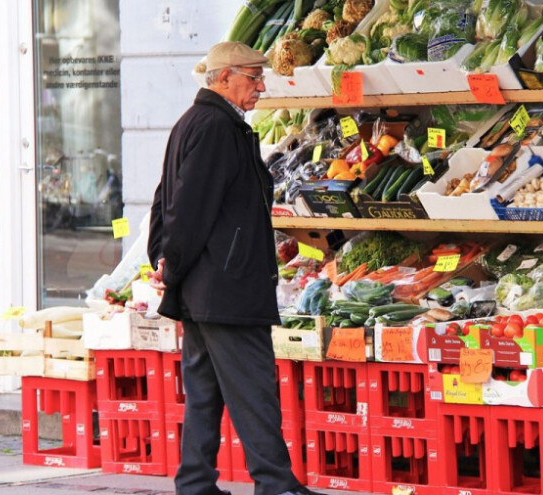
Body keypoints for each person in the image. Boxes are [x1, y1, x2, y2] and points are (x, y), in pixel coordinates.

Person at [147, 41, 318, 495]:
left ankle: (196, 483)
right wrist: (170, 263)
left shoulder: (197, 122)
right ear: (224, 78)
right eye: (253, 77)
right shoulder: (217, 128)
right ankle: (276, 484)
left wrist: (165, 261)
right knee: (255, 389)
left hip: (208, 287)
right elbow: (188, 205)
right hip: (226, 285)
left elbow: (166, 197)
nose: (261, 85)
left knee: (205, 393)